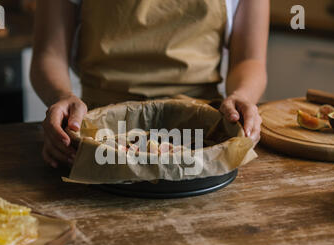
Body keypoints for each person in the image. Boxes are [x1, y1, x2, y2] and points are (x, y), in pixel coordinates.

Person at [31, 0, 269, 168]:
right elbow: (49, 54)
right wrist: (61, 97)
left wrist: (242, 96)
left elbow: (250, 59)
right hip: (97, 133)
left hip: (205, 134)